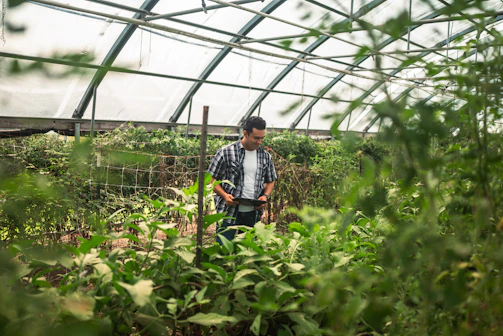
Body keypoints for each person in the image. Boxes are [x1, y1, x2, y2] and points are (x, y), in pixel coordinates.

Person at [208, 116, 277, 243]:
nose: (259, 142)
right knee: (223, 251)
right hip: (228, 212)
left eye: (262, 138)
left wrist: (265, 196)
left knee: (248, 253)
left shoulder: (265, 156)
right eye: (256, 138)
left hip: (253, 214)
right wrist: (224, 195)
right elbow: (211, 179)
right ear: (245, 133)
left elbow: (271, 180)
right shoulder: (226, 152)